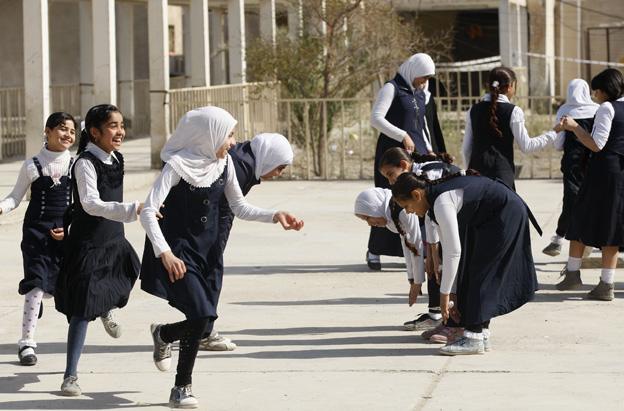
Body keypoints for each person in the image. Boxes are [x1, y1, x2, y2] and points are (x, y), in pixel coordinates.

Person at [139, 106, 303, 409]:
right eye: (228, 134)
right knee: (202, 316)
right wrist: (165, 254)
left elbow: (239, 207)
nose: (233, 141)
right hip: (176, 251)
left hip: (204, 253)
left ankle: (164, 333)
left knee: (203, 319)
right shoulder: (176, 166)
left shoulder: (224, 164)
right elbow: (148, 212)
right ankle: (181, 388)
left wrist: (274, 215)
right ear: (207, 135)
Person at [391, 171, 540, 355]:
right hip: (489, 218)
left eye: (406, 205)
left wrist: (444, 295)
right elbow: (450, 255)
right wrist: (452, 293)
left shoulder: (442, 202)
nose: (408, 211)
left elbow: (454, 252)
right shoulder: (434, 205)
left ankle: (474, 338)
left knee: (481, 274)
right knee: (471, 270)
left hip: (506, 213)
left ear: (416, 194)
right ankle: (481, 334)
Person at [54, 104, 141, 396]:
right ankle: (70, 376)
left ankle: (105, 309)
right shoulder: (84, 163)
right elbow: (90, 204)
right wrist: (130, 209)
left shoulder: (118, 158)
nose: (120, 132)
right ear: (95, 132)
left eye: (121, 125)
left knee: (126, 278)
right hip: (89, 244)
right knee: (81, 311)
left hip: (114, 239)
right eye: (113, 126)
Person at [198, 132, 294, 352]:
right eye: (280, 168)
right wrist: (273, 215)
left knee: (207, 275)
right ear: (269, 157)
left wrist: (274, 215)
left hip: (210, 223)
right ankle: (203, 333)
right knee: (210, 275)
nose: (278, 174)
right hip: (209, 227)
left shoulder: (245, 159)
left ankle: (200, 329)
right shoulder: (242, 167)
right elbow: (236, 207)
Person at [0, 112, 76, 366]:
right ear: (48, 130)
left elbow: (83, 204)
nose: (68, 135)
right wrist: (2, 207)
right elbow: (15, 197)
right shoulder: (31, 165)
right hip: (36, 235)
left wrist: (70, 229)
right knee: (35, 286)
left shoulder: (77, 165)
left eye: (72, 131)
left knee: (65, 288)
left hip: (66, 235)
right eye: (62, 129)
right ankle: (27, 343)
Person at [556, 68, 624, 300]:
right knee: (611, 226)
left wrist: (575, 127)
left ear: (606, 90)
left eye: (597, 90)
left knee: (581, 217)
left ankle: (573, 274)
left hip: (603, 172)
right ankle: (606, 283)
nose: (595, 95)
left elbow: (597, 144)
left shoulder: (607, 108)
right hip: (620, 174)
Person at [378, 148, 460, 336]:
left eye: (391, 175)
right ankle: (439, 314)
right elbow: (431, 217)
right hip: (442, 221)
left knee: (445, 265)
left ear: (404, 165)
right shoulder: (416, 178)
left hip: (458, 218)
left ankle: (450, 317)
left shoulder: (426, 175)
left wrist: (433, 250)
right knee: (432, 263)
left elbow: (435, 210)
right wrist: (431, 251)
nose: (391, 182)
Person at [368, 53, 436, 270]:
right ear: (412, 71)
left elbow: (421, 124)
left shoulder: (419, 93)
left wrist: (430, 149)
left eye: (426, 79)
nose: (424, 82)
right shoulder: (392, 87)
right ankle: (375, 250)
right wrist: (402, 135)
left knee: (415, 201)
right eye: (422, 77)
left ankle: (416, 248)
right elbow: (376, 118)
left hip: (415, 154)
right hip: (393, 155)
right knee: (388, 200)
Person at [462, 66, 556, 190]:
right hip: (502, 177)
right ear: (510, 86)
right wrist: (554, 133)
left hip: (476, 175)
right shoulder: (514, 111)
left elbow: (465, 149)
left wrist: (470, 170)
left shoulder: (473, 110)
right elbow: (527, 146)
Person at [542, 79, 599, 256]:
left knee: (571, 200)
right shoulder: (597, 110)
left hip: (571, 164)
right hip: (593, 162)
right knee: (595, 201)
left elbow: (559, 144)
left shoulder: (564, 111)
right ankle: (597, 241)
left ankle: (558, 239)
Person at [354, 188, 425, 328]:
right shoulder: (391, 213)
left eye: (368, 217)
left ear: (375, 207)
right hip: (428, 240)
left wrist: (418, 282)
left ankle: (439, 316)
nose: (369, 224)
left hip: (437, 236)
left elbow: (417, 245)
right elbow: (407, 244)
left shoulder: (402, 209)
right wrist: (412, 279)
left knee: (435, 266)